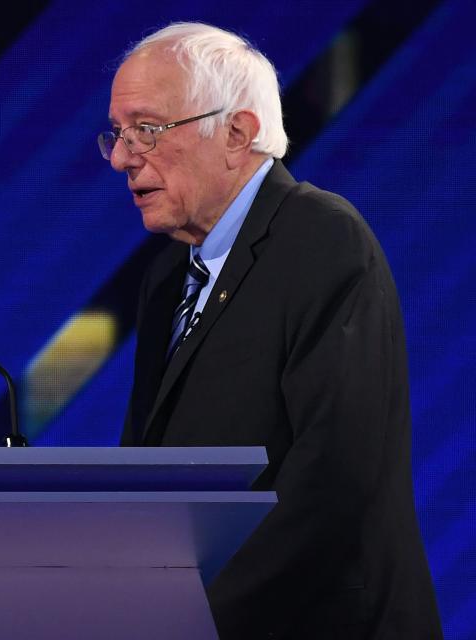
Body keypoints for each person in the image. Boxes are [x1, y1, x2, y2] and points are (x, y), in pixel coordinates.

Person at [102, 22, 442, 639]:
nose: (124, 157)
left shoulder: (321, 238)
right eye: (119, 134)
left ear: (237, 131)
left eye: (146, 129)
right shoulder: (165, 278)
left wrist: (195, 619)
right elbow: (149, 472)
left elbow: (335, 479)